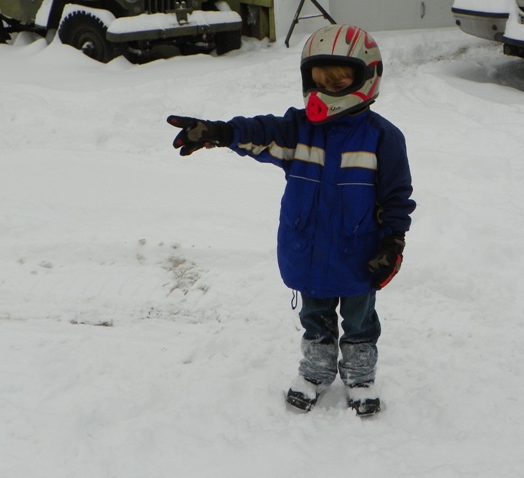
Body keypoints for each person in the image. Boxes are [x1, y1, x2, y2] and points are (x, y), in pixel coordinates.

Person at [167, 24, 415, 416]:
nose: (326, 88)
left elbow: (397, 197)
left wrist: (393, 242)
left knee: (360, 319)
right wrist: (219, 132)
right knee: (314, 315)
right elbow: (258, 133)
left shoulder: (383, 138)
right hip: (308, 249)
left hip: (359, 253)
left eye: (339, 79)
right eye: (319, 80)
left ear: (366, 76)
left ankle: (360, 375)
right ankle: (315, 372)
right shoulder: (298, 131)